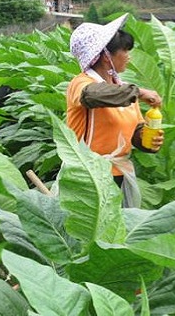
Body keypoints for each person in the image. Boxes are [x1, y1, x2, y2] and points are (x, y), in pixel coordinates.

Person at [66, 13, 164, 207]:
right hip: (88, 175)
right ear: (105, 56)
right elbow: (91, 95)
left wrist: (147, 139)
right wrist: (140, 92)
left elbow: (134, 132)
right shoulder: (81, 83)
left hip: (120, 173)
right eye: (125, 51)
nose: (128, 57)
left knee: (117, 231)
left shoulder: (124, 89)